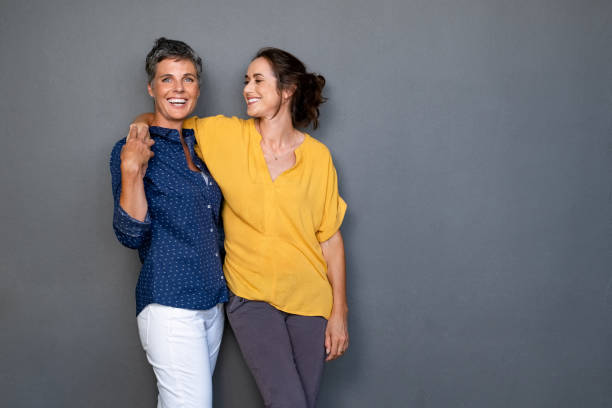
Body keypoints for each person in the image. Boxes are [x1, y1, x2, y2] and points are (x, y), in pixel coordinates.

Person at [132, 47, 348, 408]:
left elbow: (331, 238)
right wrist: (139, 123)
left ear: (287, 89)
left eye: (258, 80)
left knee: (304, 401)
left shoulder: (319, 158)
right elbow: (167, 117)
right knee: (288, 401)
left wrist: (339, 313)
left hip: (312, 302)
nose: (247, 88)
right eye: (246, 80)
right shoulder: (226, 136)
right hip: (252, 297)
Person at [110, 37, 227, 408]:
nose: (178, 88)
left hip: (212, 302)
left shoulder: (205, 144)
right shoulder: (133, 148)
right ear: (151, 87)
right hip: (170, 303)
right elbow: (130, 233)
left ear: (198, 87)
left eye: (188, 79)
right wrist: (132, 169)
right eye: (167, 79)